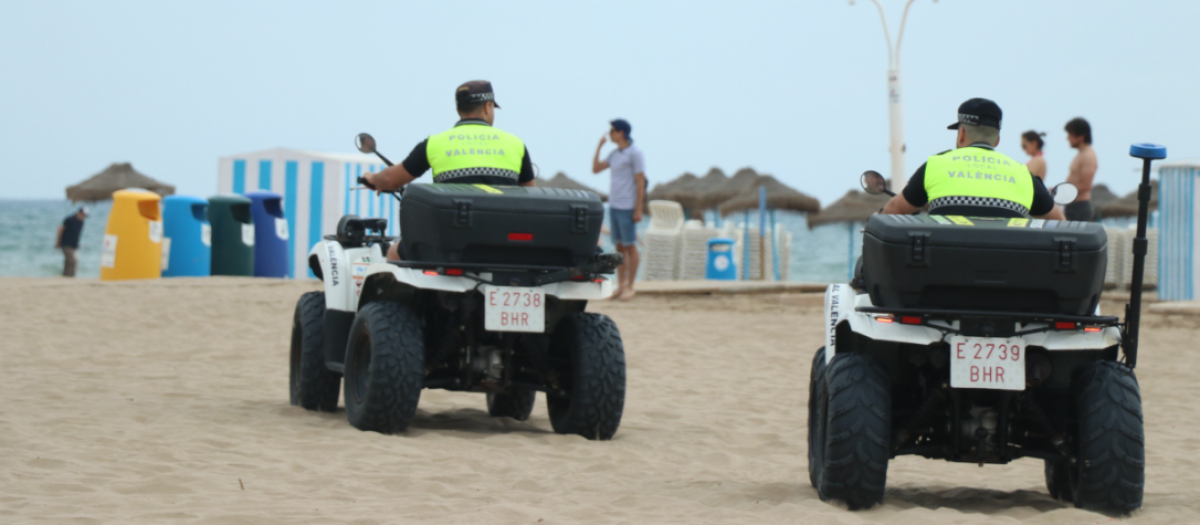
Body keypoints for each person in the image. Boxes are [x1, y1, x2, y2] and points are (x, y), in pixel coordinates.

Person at [363, 80, 536, 261]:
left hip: (448, 245)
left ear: (458, 110)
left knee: (393, 253)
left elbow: (391, 179)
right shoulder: (516, 144)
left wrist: (374, 179)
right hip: (504, 243)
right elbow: (531, 196)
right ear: (488, 106)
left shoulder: (434, 143)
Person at [882, 98, 1066, 221]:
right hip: (1007, 275)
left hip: (943, 274)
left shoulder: (935, 165)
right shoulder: (1023, 174)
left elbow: (893, 210)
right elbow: (1059, 221)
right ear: (997, 140)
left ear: (961, 134)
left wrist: (877, 216)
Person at [591, 119, 646, 301]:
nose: (610, 133)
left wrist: (638, 209)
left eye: (613, 130)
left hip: (628, 206)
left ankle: (630, 285)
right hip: (614, 206)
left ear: (621, 132)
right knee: (619, 246)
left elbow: (640, 182)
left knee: (631, 246)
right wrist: (599, 147)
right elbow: (596, 169)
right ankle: (621, 285)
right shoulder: (614, 154)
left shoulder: (635, 153)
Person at [1064, 117, 1098, 222]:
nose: (1067, 138)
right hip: (1073, 206)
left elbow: (1086, 185)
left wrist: (1063, 191)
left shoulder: (1088, 156)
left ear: (1081, 137)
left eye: (1070, 135)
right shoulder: (1081, 154)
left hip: (1079, 207)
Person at [55, 207, 88, 277]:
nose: (83, 217)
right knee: (72, 260)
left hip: (74, 244)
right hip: (66, 243)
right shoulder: (70, 219)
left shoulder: (81, 222)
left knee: (70, 261)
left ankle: (68, 276)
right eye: (83, 215)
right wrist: (58, 242)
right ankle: (68, 276)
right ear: (79, 212)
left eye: (85, 216)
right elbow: (60, 229)